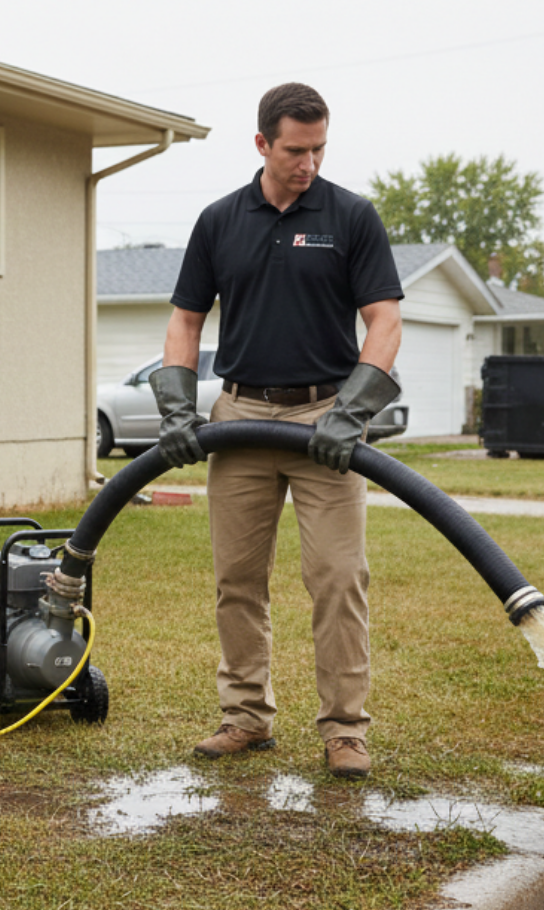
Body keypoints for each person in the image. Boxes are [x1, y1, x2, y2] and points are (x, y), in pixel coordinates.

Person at [149, 82, 403, 780]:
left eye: (320, 148)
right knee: (237, 578)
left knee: (338, 577)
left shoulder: (350, 216)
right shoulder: (219, 220)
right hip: (239, 419)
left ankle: (345, 731)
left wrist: (351, 412)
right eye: (296, 150)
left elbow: (384, 318)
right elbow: (185, 319)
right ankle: (245, 719)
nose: (309, 163)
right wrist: (177, 409)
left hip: (326, 419)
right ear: (263, 143)